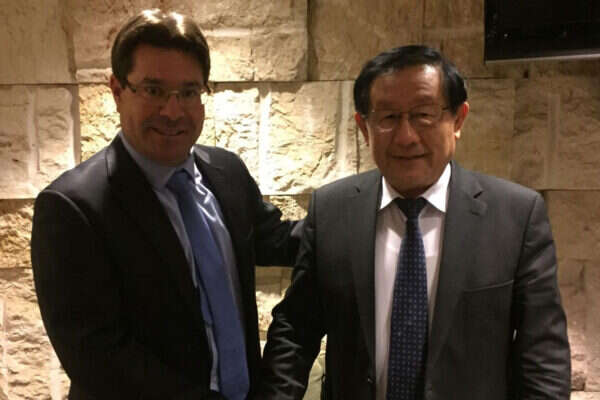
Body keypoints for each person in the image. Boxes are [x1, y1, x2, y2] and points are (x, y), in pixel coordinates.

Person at [258, 45, 571, 400]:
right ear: (364, 127)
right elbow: (295, 331)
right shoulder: (332, 211)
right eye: (388, 117)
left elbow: (544, 362)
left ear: (458, 120)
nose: (406, 136)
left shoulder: (516, 217)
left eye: (423, 114)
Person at [31, 9, 300, 400]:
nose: (173, 112)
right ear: (117, 91)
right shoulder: (72, 208)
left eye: (189, 92)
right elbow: (99, 358)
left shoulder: (226, 172)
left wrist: (360, 213)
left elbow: (280, 241)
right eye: (153, 90)